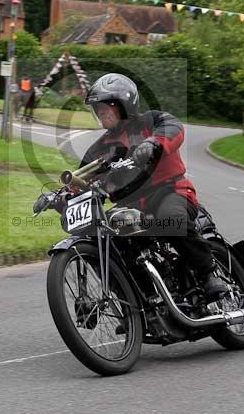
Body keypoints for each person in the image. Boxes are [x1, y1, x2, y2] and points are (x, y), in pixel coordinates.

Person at [80, 73, 227, 301]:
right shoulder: (99, 149)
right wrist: (61, 196)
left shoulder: (152, 121)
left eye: (105, 106)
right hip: (131, 205)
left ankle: (209, 273)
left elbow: (174, 128)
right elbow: (82, 178)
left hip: (171, 191)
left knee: (170, 219)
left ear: (125, 104)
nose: (100, 112)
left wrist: (153, 143)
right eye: (97, 109)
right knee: (105, 238)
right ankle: (136, 302)